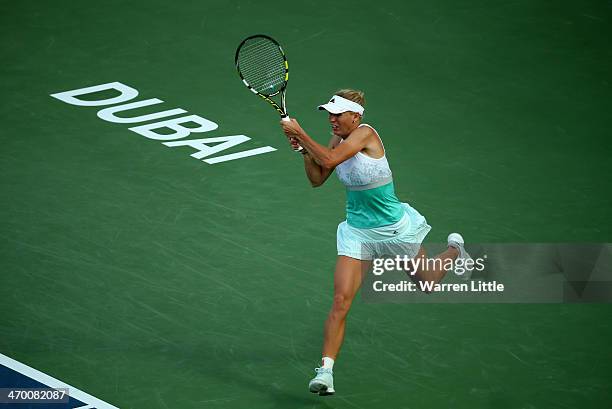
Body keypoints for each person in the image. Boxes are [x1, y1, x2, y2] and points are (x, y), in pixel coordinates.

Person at [280, 89, 472, 396]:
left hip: (394, 231)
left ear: (355, 117)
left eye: (337, 114)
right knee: (341, 301)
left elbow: (329, 159)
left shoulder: (366, 134)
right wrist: (303, 150)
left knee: (428, 283)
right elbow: (317, 178)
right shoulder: (335, 140)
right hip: (357, 233)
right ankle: (326, 372)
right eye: (329, 114)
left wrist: (300, 132)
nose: (331, 120)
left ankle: (454, 250)